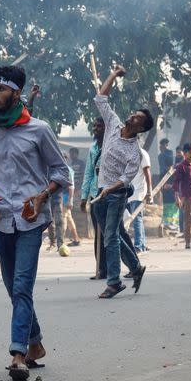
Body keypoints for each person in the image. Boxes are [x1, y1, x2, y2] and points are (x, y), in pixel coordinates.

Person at [0, 65, 71, 381]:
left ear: (16, 93)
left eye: (1, 90)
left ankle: (18, 354)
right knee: (13, 289)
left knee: (22, 286)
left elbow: (61, 172)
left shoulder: (39, 130)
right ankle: (36, 343)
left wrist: (43, 196)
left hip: (31, 219)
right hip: (0, 220)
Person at [93, 65, 149, 299]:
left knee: (111, 237)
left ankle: (114, 282)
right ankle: (135, 268)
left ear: (141, 127)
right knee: (111, 235)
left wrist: (109, 189)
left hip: (115, 195)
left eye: (138, 117)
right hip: (101, 192)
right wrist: (113, 75)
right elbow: (101, 98)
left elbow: (125, 179)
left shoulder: (134, 152)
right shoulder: (114, 125)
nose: (133, 115)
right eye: (135, 113)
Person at [80, 118, 106, 279]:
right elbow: (89, 173)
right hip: (95, 196)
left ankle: (130, 265)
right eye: (94, 126)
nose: (95, 129)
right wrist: (84, 198)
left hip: (110, 194)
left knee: (111, 234)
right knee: (98, 234)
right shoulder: (93, 148)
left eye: (99, 126)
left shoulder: (112, 146)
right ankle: (102, 269)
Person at [127, 147, 153, 252]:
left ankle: (138, 245)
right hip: (130, 192)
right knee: (136, 219)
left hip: (139, 192)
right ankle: (142, 244)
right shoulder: (127, 154)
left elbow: (147, 173)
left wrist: (149, 192)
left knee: (137, 218)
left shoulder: (142, 153)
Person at [61, 152, 81, 248]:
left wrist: (70, 200)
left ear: (66, 159)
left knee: (63, 219)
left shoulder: (67, 170)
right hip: (65, 197)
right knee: (69, 219)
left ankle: (61, 241)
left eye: (63, 158)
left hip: (65, 197)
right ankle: (76, 239)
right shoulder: (65, 169)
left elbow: (71, 186)